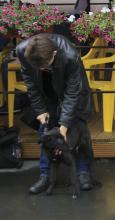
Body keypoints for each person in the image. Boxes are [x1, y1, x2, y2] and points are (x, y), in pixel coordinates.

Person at [16, 33, 94, 194]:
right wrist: (40, 110)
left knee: (76, 126)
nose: (43, 69)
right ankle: (45, 175)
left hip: (72, 90)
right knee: (46, 131)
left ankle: (83, 172)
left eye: (45, 65)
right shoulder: (23, 51)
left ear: (54, 53)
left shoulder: (70, 56)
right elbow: (30, 83)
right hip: (46, 90)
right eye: (39, 67)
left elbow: (72, 94)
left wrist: (63, 127)